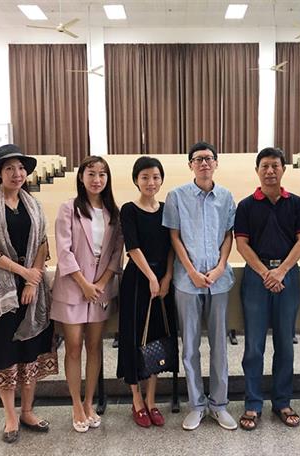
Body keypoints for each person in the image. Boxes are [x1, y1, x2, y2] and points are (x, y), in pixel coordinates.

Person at [0, 144, 57, 444]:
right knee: (4, 350)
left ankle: (27, 410)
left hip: (32, 288)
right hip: (1, 289)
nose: (17, 174)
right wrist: (23, 273)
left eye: (20, 168)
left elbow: (42, 243)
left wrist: (32, 282)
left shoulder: (34, 205)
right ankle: (10, 416)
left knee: (30, 349)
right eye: (9, 169)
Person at [162, 141, 238, 431]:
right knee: (190, 345)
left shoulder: (226, 196)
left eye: (208, 158)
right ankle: (196, 405)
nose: (204, 163)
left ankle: (218, 405)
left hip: (219, 281)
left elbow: (229, 235)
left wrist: (219, 267)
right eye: (198, 159)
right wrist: (192, 272)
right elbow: (174, 237)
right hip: (187, 281)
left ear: (216, 163)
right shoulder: (176, 196)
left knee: (219, 346)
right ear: (190, 165)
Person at [234, 147, 300, 431]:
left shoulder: (297, 203)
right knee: (254, 345)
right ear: (257, 170)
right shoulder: (246, 206)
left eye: (275, 166)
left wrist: (281, 271)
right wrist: (267, 273)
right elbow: (242, 244)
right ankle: (253, 404)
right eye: (264, 166)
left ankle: (282, 401)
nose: (269, 171)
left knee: (285, 343)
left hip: (287, 275)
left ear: (283, 169)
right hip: (257, 277)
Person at [51, 156, 123, 433]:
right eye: (91, 173)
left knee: (94, 346)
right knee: (73, 346)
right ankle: (75, 404)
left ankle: (89, 401)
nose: (97, 179)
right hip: (73, 286)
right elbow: (64, 250)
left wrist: (101, 283)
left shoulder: (113, 212)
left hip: (101, 289)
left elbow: (116, 253)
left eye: (102, 174)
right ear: (81, 177)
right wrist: (83, 284)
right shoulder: (68, 208)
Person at [117, 156, 178, 428]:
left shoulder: (166, 209)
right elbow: (132, 247)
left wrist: (167, 277)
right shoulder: (129, 209)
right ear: (136, 180)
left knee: (157, 338)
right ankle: (136, 399)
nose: (150, 182)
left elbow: (172, 246)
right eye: (145, 177)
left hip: (162, 282)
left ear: (161, 179)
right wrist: (152, 277)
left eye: (155, 177)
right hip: (137, 281)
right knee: (134, 338)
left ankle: (151, 400)